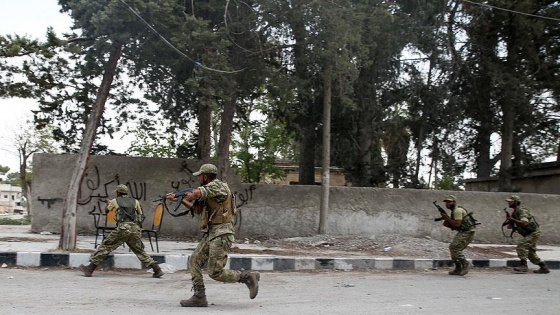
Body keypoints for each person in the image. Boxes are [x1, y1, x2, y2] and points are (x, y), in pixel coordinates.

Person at [168, 163, 259, 307]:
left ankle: (247, 276)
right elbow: (196, 209)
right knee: (194, 261)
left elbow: (197, 193)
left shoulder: (218, 186)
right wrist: (179, 200)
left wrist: (187, 194)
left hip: (222, 233)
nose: (198, 179)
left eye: (200, 176)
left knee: (215, 272)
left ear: (205, 177)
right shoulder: (209, 192)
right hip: (212, 233)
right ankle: (199, 296)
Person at [79, 184, 163, 278]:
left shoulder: (115, 201)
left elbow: (107, 211)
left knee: (106, 246)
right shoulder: (135, 201)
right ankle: (157, 269)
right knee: (139, 250)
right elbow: (140, 214)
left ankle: (90, 269)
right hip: (135, 228)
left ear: (118, 192)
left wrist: (109, 204)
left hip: (123, 228)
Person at [504, 195, 549, 274]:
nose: (509, 203)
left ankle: (523, 266)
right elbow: (509, 227)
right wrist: (510, 220)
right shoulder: (514, 213)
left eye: (511, 201)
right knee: (530, 253)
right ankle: (543, 267)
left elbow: (524, 223)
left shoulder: (522, 211)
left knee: (522, 245)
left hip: (534, 233)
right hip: (529, 233)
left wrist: (512, 219)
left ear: (516, 202)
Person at [438, 195, 477, 276]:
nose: (447, 203)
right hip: (464, 231)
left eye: (449, 201)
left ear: (454, 202)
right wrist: (447, 221)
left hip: (468, 232)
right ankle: (458, 268)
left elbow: (457, 224)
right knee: (453, 248)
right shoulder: (454, 211)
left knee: (454, 247)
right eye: (446, 202)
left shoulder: (458, 210)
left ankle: (465, 263)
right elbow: (455, 226)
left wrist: (447, 218)